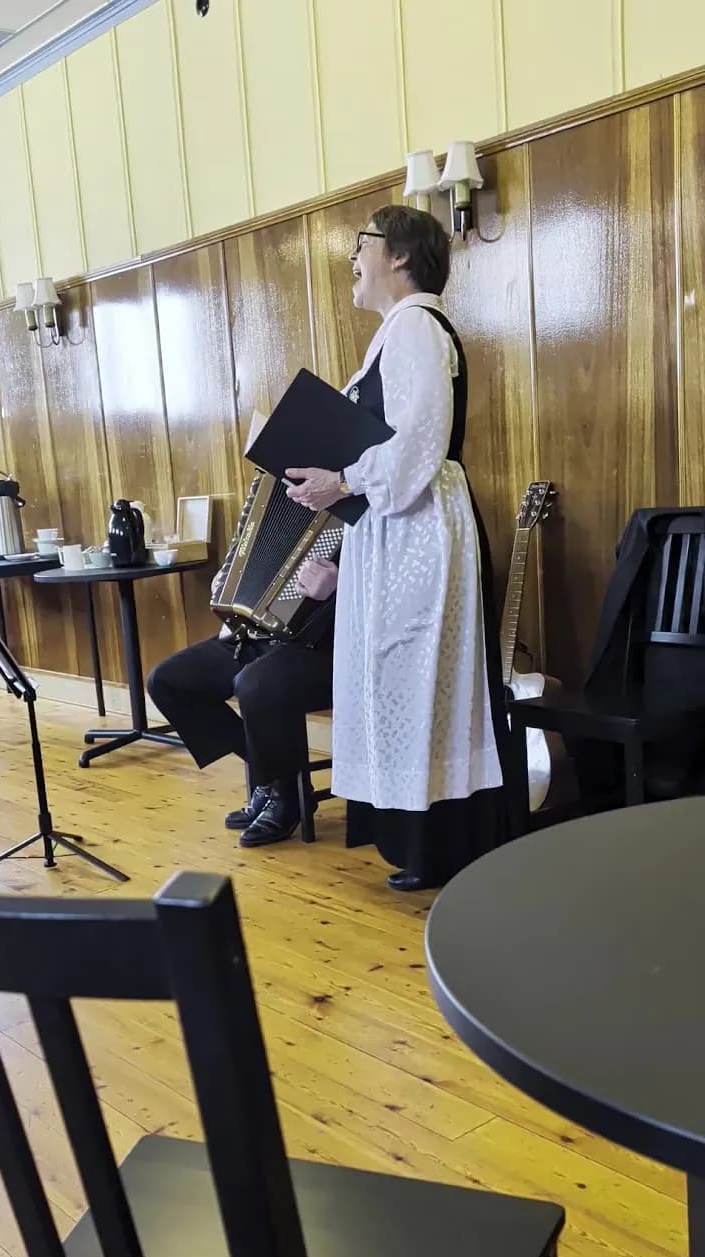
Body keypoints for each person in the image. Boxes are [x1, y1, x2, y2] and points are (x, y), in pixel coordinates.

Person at [285, 204, 512, 891]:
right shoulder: (396, 331)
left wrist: (344, 480)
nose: (352, 259)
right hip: (395, 527)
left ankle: (442, 844)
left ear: (401, 255)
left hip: (421, 530)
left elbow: (419, 439)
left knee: (421, 676)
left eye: (362, 244)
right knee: (400, 679)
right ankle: (422, 841)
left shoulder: (416, 325)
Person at [146, 474, 338, 848]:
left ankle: (284, 796)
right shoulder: (274, 489)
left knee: (256, 684)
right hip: (255, 634)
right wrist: (228, 577)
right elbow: (247, 550)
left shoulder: (361, 493)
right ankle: (278, 779)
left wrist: (339, 584)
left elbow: (391, 581)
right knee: (168, 681)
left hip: (324, 644)